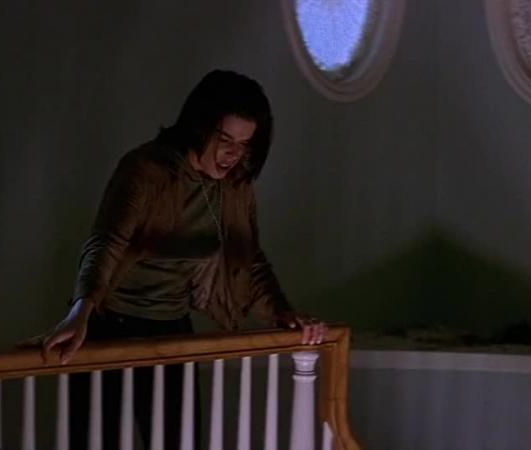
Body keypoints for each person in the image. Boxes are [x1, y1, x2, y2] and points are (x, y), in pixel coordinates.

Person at [41, 70, 326, 450]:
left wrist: (283, 311)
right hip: (111, 325)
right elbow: (107, 242)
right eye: (225, 140)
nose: (233, 154)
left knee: (181, 440)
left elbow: (246, 259)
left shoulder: (235, 185)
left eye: (244, 145)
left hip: (171, 328)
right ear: (200, 127)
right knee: (97, 438)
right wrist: (82, 310)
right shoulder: (147, 170)